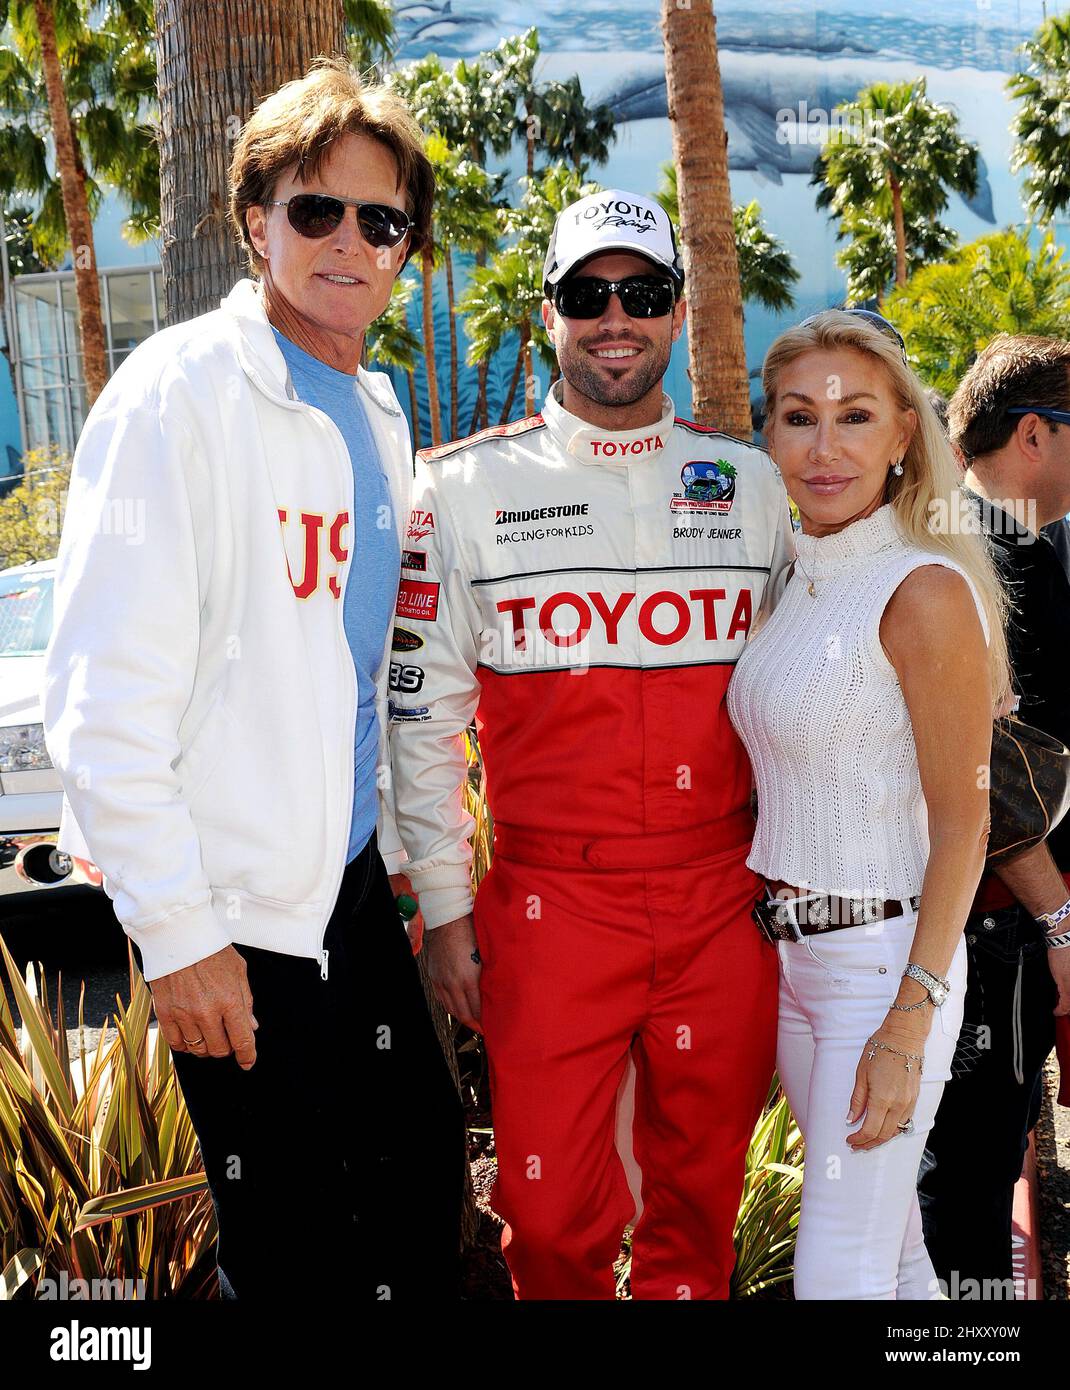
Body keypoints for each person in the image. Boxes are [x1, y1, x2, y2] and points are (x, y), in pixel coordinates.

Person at [41, 60, 464, 1301]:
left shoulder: (372, 411)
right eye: (312, 209)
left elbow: (349, 673)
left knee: (415, 1188)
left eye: (378, 220)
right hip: (232, 918)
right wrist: (179, 940)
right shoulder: (177, 394)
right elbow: (102, 699)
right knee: (298, 1254)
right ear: (253, 222)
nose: (346, 240)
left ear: (407, 250)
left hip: (339, 890)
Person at [387, 188, 795, 1299]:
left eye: (643, 293)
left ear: (676, 311)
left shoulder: (754, 488)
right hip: (546, 905)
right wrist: (444, 910)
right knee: (548, 1218)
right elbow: (418, 715)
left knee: (697, 1207)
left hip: (723, 895)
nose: (615, 317)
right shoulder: (459, 488)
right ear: (549, 312)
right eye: (587, 294)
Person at [726, 308, 1012, 1300]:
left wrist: (906, 1022)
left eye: (854, 416)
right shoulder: (797, 576)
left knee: (834, 1282)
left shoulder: (922, 589)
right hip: (794, 963)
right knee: (890, 1264)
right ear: (767, 434)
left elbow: (963, 823)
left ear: (902, 434)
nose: (822, 444)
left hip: (883, 968)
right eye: (796, 416)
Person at [917, 334, 1070, 1298]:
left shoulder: (941, 534)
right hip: (997, 929)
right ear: (1032, 435)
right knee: (968, 1189)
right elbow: (994, 774)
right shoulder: (1001, 557)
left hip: (964, 928)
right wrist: (1057, 920)